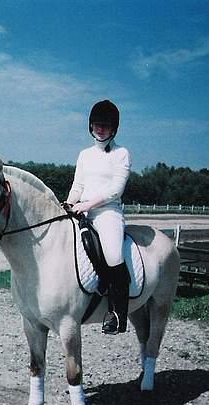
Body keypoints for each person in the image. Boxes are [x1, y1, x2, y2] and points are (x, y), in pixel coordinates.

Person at [65, 100, 131, 334]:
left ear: (114, 128)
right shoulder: (84, 155)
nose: (99, 128)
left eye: (105, 125)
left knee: (113, 255)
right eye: (96, 124)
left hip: (107, 213)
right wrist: (69, 203)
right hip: (82, 209)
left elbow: (116, 190)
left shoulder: (121, 154)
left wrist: (88, 205)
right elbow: (78, 185)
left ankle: (117, 314)